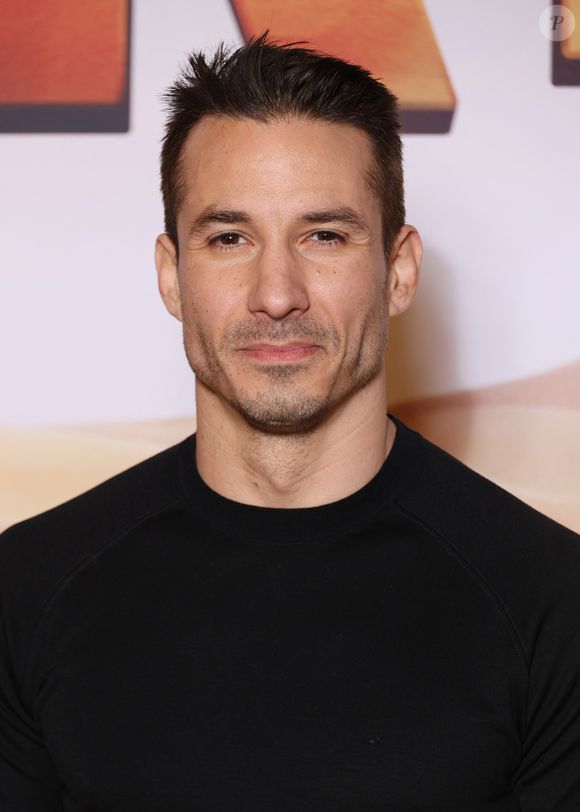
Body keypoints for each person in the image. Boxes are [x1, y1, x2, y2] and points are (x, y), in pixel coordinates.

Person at [0, 31, 579, 811]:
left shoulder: (552, 604)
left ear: (398, 270)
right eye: (229, 238)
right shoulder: (29, 588)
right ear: (172, 276)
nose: (277, 293)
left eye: (324, 235)